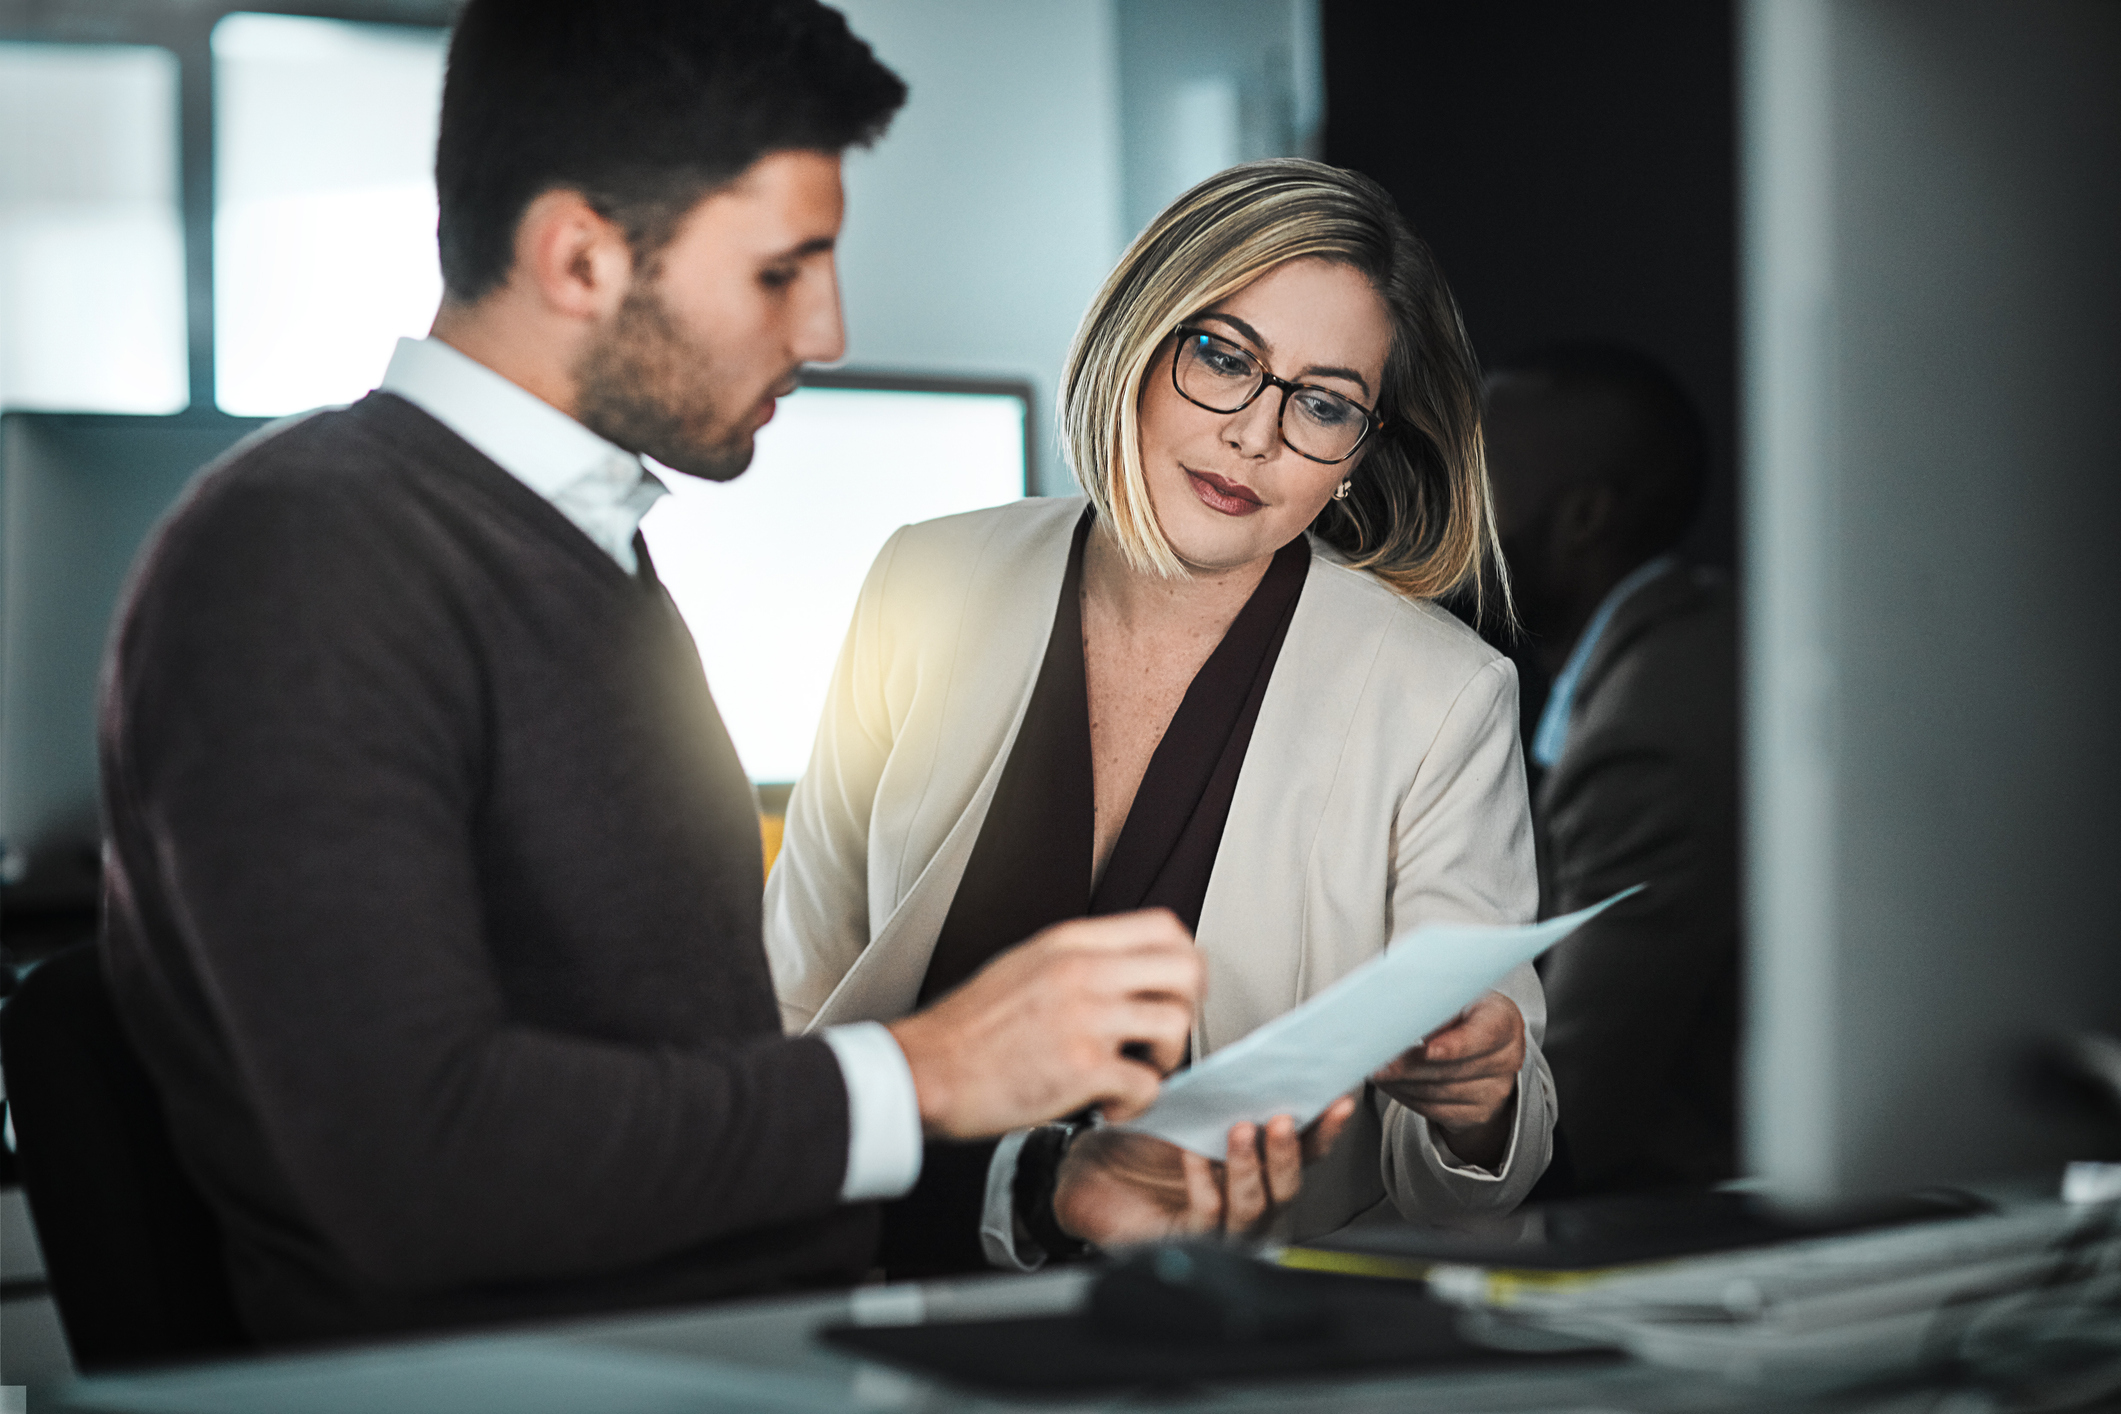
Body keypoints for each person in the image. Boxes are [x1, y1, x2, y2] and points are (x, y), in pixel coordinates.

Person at [96, 0, 1224, 1347]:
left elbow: (686, 1130)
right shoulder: (300, 559)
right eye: (779, 271)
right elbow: (416, 1166)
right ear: (579, 257)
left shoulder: (591, 562)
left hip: (730, 1351)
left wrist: (1034, 1190)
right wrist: (928, 1069)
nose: (828, 330)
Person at [766, 159, 1557, 1274]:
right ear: (1138, 340)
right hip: (889, 1278)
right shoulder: (925, 578)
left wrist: (1478, 1097)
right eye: (1225, 357)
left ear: (1357, 454)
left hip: (1229, 1333)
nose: (1256, 435)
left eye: (1323, 403)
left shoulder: (1440, 694)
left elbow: (1466, 1179)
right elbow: (797, 992)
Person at [1483, 343, 1741, 1195]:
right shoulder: (1684, 643)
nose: (1443, 517)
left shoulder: (1642, 737)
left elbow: (1568, 1115)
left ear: (1582, 518)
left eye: (1476, 484)